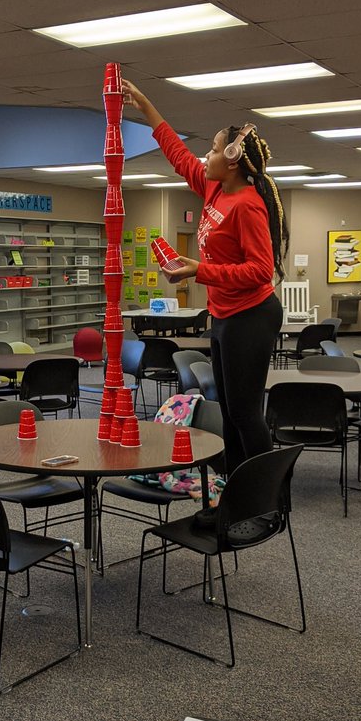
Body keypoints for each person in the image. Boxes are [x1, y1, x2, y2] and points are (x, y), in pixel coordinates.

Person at [122, 80, 287, 514]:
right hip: (225, 312)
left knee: (246, 412)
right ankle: (235, 488)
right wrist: (147, 106)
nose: (207, 156)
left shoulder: (248, 206)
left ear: (232, 163)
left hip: (252, 314)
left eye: (214, 150)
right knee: (227, 407)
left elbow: (260, 271)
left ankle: (271, 495)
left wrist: (200, 270)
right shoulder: (216, 190)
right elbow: (178, 156)